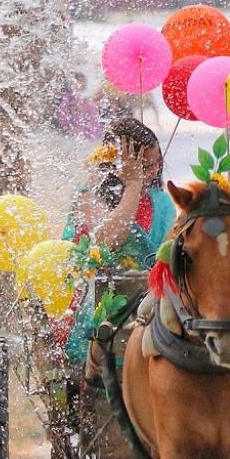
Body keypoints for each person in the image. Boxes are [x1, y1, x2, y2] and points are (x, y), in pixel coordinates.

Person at [63, 117, 176, 363]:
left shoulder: (162, 202)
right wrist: (133, 185)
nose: (155, 172)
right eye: (144, 167)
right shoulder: (89, 197)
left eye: (156, 164)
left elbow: (166, 254)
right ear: (116, 164)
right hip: (102, 302)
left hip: (151, 301)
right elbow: (108, 242)